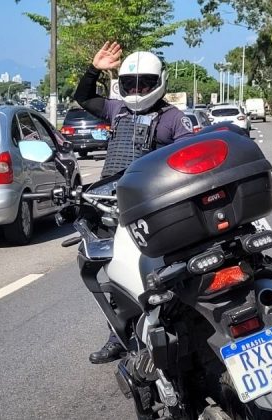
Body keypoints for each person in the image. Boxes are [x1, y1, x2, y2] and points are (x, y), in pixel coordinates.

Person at [73, 41, 194, 364]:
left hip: (153, 206)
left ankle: (180, 323)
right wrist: (93, 69)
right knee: (114, 274)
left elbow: (187, 160)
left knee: (162, 269)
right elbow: (83, 98)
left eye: (145, 83)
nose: (137, 89)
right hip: (111, 205)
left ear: (160, 82)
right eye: (130, 83)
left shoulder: (173, 119)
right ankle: (120, 335)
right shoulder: (117, 109)